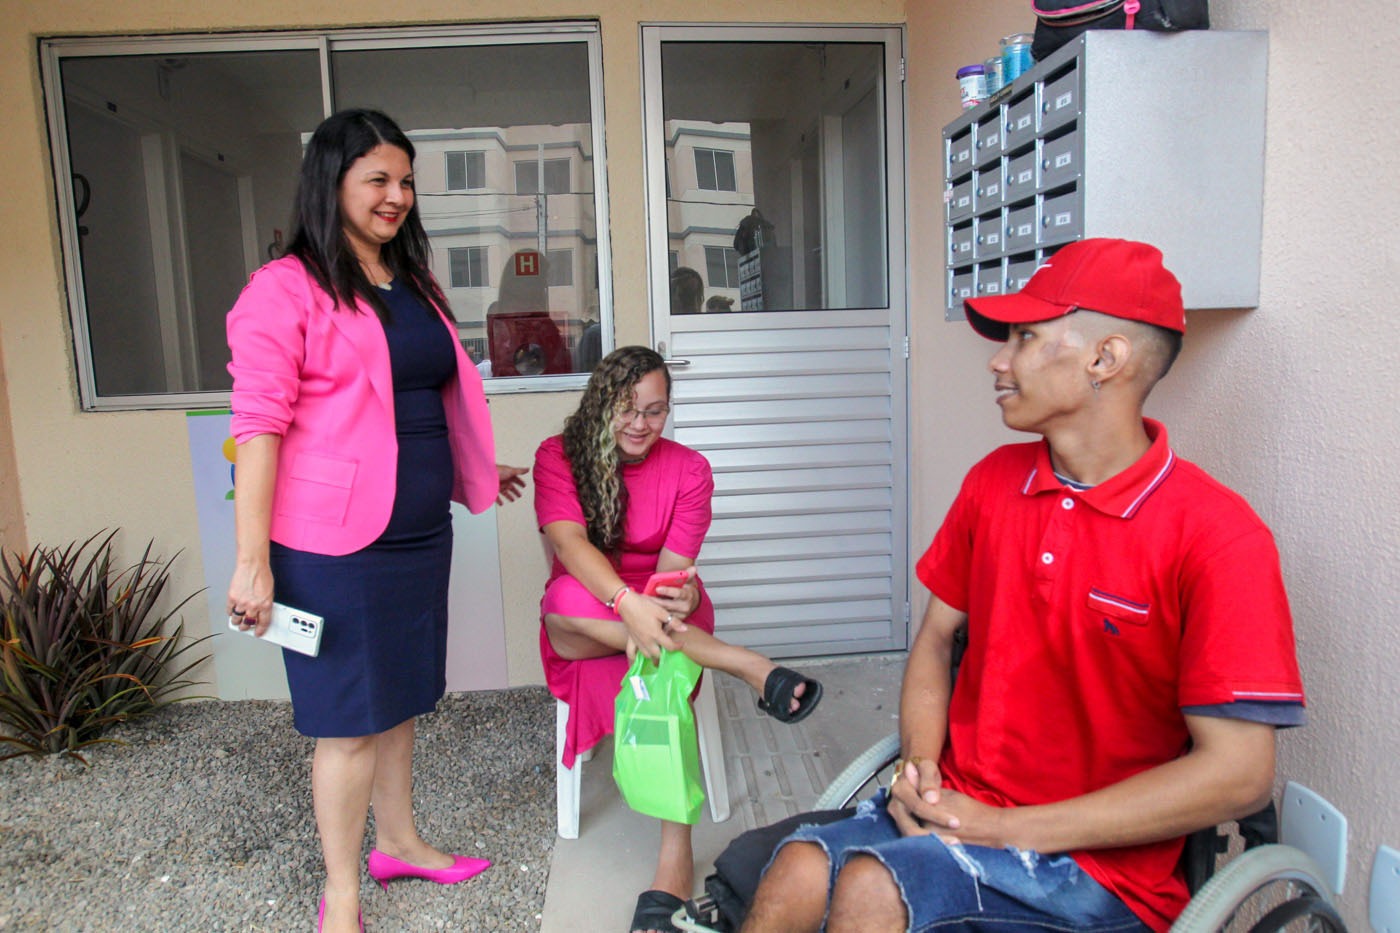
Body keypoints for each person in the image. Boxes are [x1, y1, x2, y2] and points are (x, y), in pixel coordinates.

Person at [742, 238, 1306, 933]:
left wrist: (1010, 827)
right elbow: (936, 638)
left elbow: (1240, 773)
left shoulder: (1218, 536)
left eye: (1026, 336)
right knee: (795, 868)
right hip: (960, 811)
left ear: (1106, 359)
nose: (999, 360)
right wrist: (921, 770)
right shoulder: (992, 484)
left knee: (872, 887)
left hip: (1094, 870)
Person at [225, 109, 528, 933]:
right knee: (350, 720)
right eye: (377, 180)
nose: (397, 196)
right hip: (332, 547)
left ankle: (398, 841)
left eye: (405, 180)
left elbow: (421, 399)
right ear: (333, 184)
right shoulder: (284, 287)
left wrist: (472, 471)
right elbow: (259, 426)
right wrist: (252, 560)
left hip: (419, 532)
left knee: (400, 699)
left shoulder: (412, 282)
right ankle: (344, 894)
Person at [533, 345, 824, 933]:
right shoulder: (557, 456)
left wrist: (676, 597)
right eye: (627, 408)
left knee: (662, 663)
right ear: (602, 404)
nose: (641, 424)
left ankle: (674, 862)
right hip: (597, 605)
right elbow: (570, 546)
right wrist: (626, 604)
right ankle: (744, 665)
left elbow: (674, 570)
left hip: (665, 609)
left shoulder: (690, 469)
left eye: (656, 411)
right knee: (561, 600)